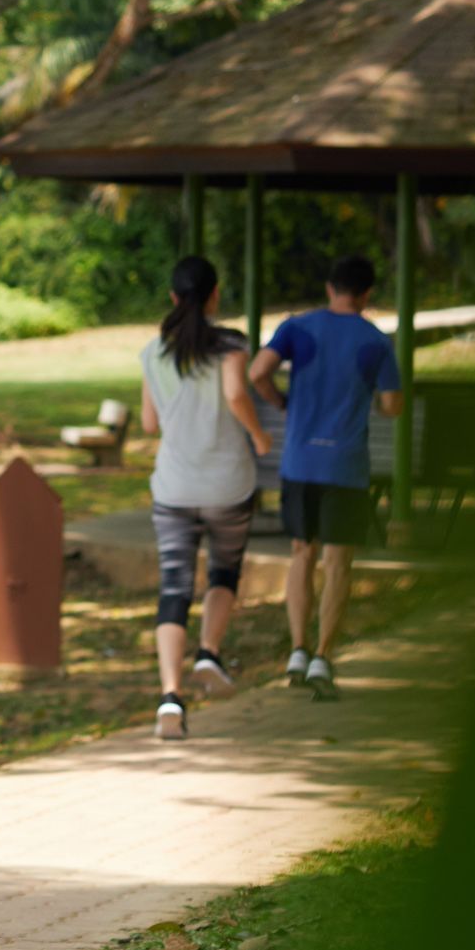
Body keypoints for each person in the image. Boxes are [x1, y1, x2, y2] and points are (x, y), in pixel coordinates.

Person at [244, 254, 402, 697]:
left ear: (330, 287)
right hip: (346, 467)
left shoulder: (297, 328)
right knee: (338, 564)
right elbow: (393, 405)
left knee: (301, 554)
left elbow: (257, 372)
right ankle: (323, 658)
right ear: (368, 294)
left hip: (300, 464)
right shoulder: (376, 342)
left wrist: (280, 402)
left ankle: (297, 648)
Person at [141, 255, 270, 740]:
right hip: (227, 486)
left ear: (174, 297)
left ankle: (170, 700)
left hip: (173, 488)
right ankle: (209, 653)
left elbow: (150, 423)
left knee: (174, 588)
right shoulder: (231, 345)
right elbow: (238, 394)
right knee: (223, 571)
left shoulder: (153, 352)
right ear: (214, 296)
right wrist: (258, 436)